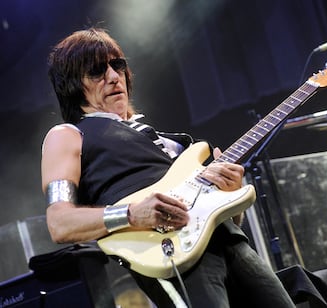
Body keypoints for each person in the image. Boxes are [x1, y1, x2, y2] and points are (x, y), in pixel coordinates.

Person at [41, 27, 296, 308]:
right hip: (169, 254)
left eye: (118, 65)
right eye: (97, 71)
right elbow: (59, 223)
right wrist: (132, 214)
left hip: (232, 243)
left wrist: (228, 194)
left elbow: (213, 215)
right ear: (73, 85)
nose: (114, 77)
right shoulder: (67, 135)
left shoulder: (170, 143)